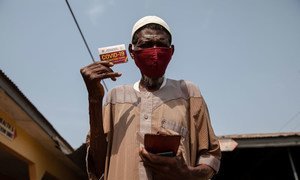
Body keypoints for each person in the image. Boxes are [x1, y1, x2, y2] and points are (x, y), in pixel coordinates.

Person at [80, 15, 221, 180]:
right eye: (146, 45)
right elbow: (98, 166)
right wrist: (94, 100)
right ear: (132, 52)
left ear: (171, 51)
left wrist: (186, 173)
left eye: (161, 44)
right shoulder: (115, 98)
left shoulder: (189, 94)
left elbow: (211, 157)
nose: (154, 51)